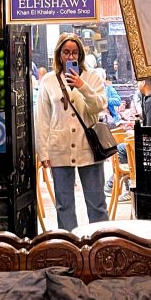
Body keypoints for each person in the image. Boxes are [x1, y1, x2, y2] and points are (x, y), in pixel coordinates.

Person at [35, 32, 108, 231]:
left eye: (75, 52)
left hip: (89, 147)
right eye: (66, 52)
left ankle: (101, 245)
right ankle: (69, 247)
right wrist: (43, 152)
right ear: (59, 55)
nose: (71, 57)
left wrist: (82, 86)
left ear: (81, 54)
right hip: (59, 147)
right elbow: (42, 119)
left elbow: (99, 106)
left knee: (97, 203)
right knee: (64, 205)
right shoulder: (49, 81)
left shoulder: (92, 77)